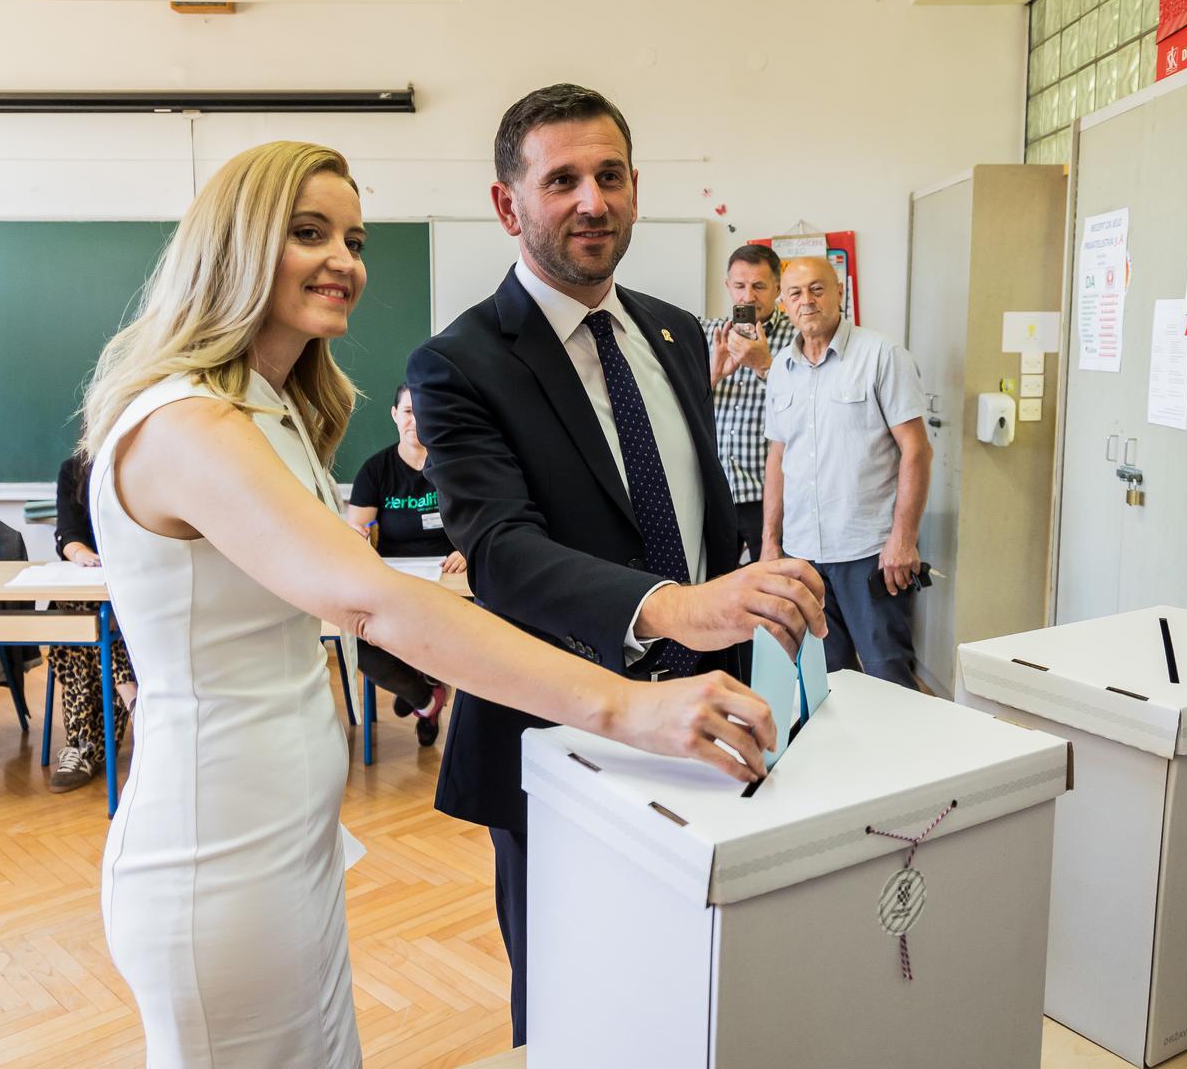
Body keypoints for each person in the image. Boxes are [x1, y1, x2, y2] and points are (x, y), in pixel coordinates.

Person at [81, 139, 784, 1069]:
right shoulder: (188, 422)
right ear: (234, 245)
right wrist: (628, 705)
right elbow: (371, 602)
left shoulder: (265, 412)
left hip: (288, 833)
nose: (343, 261)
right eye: (307, 233)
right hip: (217, 850)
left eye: (354, 240)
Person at [407, 84, 828, 1046]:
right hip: (557, 733)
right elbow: (502, 554)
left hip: (709, 720)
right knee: (573, 1000)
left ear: (636, 186)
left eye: (609, 176)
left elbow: (693, 511)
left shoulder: (676, 333)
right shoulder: (458, 364)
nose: (592, 201)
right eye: (561, 180)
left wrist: (750, 597)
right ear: (508, 204)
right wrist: (679, 607)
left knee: (695, 983)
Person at [760, 255, 933, 689]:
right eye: (795, 293)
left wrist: (903, 539)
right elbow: (778, 458)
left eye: (817, 289)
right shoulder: (780, 368)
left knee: (887, 674)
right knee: (825, 681)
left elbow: (916, 450)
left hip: (868, 552)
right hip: (803, 553)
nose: (807, 300)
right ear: (783, 303)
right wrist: (770, 543)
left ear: (840, 292)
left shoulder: (881, 356)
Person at [346, 383, 465, 746]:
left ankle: (418, 683)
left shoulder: (454, 466)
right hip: (395, 581)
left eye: (424, 411)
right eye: (409, 411)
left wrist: (467, 549)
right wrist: (358, 537)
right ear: (395, 415)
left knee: (439, 627)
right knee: (356, 640)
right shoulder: (376, 469)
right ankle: (424, 697)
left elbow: (480, 521)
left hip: (450, 581)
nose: (416, 420)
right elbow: (356, 528)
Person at [46, 451, 138, 791]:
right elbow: (68, 534)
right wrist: (83, 556)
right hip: (97, 592)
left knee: (91, 621)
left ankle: (82, 746)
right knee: (89, 616)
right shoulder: (75, 468)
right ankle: (135, 703)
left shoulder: (154, 463)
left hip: (146, 590)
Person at [702, 243, 794, 562]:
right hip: (713, 490)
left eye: (759, 286)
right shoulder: (706, 333)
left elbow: (810, 408)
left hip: (768, 492)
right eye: (740, 286)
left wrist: (765, 365)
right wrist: (712, 376)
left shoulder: (798, 339)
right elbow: (676, 405)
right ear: (727, 286)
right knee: (712, 582)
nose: (748, 296)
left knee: (770, 581)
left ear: (777, 289)